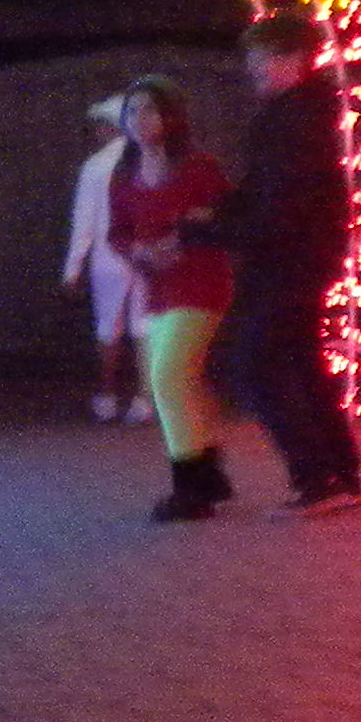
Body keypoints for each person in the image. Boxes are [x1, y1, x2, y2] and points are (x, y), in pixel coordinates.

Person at [188, 5, 361, 515]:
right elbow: (266, 190)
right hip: (302, 255)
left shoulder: (293, 121)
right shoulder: (299, 114)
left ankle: (316, 478)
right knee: (301, 363)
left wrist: (212, 231)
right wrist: (221, 214)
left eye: (262, 58)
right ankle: (340, 472)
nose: (253, 68)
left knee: (257, 365)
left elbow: (280, 204)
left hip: (287, 260)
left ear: (294, 59)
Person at [106, 78, 236, 522]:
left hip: (201, 283)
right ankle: (210, 472)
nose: (140, 120)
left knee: (167, 377)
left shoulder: (198, 168)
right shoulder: (124, 176)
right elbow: (117, 233)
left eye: (150, 110)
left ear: (171, 116)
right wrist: (138, 251)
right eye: (133, 111)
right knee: (179, 379)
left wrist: (184, 237)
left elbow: (227, 218)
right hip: (158, 288)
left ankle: (189, 487)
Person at [63, 92, 146, 423]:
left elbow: (83, 224)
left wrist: (72, 269)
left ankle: (108, 396)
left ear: (109, 128)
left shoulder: (95, 167)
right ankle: (143, 399)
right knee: (142, 327)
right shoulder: (147, 161)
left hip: (107, 258)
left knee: (107, 328)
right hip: (143, 255)